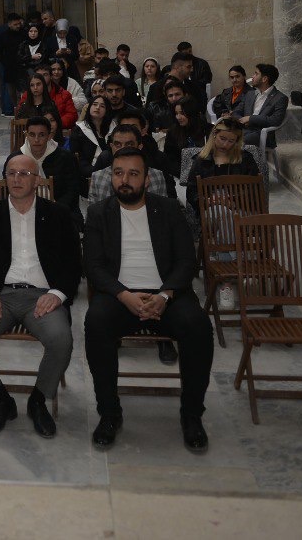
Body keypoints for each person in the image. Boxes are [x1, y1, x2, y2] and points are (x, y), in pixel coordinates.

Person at [82, 148, 214, 453]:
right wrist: (123, 295)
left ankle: (191, 415)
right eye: (118, 173)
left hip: (167, 294)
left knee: (198, 327)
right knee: (96, 323)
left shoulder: (168, 209)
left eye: (133, 173)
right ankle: (109, 413)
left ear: (147, 179)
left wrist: (165, 295)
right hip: (119, 294)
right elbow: (94, 266)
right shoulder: (99, 213)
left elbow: (186, 261)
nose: (124, 180)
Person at [0, 153, 81, 439]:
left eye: (24, 173)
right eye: (11, 173)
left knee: (61, 339)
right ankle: (2, 399)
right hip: (1, 294)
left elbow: (73, 264)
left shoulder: (58, 215)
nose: (17, 179)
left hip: (43, 296)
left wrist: (58, 294)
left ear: (37, 180)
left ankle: (38, 400)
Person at [12, 116, 82, 228]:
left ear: (49, 136)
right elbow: (10, 190)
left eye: (41, 135)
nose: (36, 140)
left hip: (60, 209)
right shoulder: (15, 160)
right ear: (26, 135)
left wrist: (53, 210)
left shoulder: (66, 157)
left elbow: (72, 190)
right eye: (32, 135)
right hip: (25, 211)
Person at [186, 117, 260, 218]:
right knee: (220, 212)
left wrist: (233, 202)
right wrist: (206, 201)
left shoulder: (245, 159)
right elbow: (191, 192)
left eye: (231, 141)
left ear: (236, 141)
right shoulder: (201, 160)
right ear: (214, 134)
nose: (225, 145)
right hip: (211, 209)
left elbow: (255, 189)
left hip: (241, 207)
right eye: (222, 139)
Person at [87, 125, 168, 203]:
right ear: (112, 147)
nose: (123, 149)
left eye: (129, 144)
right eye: (118, 145)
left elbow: (162, 209)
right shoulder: (98, 177)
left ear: (139, 147)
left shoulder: (156, 175)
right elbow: (93, 211)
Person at [231, 63, 288, 149]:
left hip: (261, 133)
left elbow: (276, 120)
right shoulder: (250, 94)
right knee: (220, 135)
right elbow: (236, 111)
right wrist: (242, 120)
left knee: (234, 142)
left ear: (264, 79)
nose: (252, 76)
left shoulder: (280, 98)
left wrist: (251, 119)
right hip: (243, 129)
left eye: (256, 74)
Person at [162, 99, 211, 175]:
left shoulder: (208, 129)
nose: (178, 117)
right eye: (176, 113)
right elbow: (170, 159)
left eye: (182, 113)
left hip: (207, 173)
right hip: (182, 174)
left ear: (192, 113)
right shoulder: (173, 132)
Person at [72, 96, 112, 186]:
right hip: (87, 169)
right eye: (94, 104)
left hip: (110, 169)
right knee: (105, 155)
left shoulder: (112, 128)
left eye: (102, 106)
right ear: (89, 107)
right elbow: (76, 155)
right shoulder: (79, 130)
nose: (97, 107)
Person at [0, 13, 27, 115]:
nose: (18, 26)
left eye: (19, 24)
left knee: (22, 90)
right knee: (11, 91)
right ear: (9, 24)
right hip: (9, 67)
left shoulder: (23, 33)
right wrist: (5, 62)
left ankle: (22, 110)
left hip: (22, 66)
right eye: (15, 24)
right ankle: (16, 108)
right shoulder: (4, 35)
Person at [18, 22, 46, 87]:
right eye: (31, 31)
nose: (33, 33)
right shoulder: (23, 44)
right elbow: (19, 58)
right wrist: (31, 57)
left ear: (39, 32)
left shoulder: (43, 44)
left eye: (35, 31)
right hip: (24, 76)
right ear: (28, 32)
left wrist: (26, 60)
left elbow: (42, 59)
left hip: (39, 75)